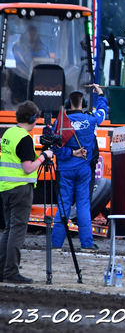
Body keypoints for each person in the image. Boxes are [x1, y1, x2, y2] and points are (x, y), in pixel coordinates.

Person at [0, 101, 54, 283]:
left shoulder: (9, 133)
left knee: (9, 229)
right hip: (20, 188)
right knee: (17, 230)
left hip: (6, 187)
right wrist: (44, 156)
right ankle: (11, 272)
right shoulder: (24, 138)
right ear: (32, 118)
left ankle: (3, 270)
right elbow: (28, 168)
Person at [51, 84, 107, 252]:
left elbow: (54, 148)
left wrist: (71, 153)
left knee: (63, 205)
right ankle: (87, 244)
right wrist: (101, 94)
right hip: (84, 170)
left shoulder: (61, 123)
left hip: (65, 170)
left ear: (68, 104)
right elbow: (103, 112)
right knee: (83, 206)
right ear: (84, 104)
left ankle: (56, 244)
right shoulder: (91, 119)